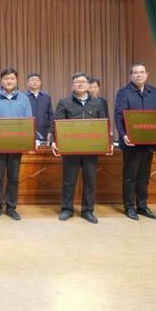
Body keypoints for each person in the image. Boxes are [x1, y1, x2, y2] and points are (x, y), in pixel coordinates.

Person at [52, 72, 109, 224]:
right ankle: (67, 209)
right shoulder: (64, 102)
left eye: (83, 81)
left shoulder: (97, 103)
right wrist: (55, 141)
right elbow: (57, 123)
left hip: (91, 148)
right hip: (70, 148)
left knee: (90, 180)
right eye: (77, 82)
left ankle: (87, 210)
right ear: (73, 85)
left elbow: (104, 122)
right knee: (69, 180)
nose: (80, 84)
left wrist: (106, 141)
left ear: (88, 84)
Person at [0, 68, 32, 220]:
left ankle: (11, 207)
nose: (9, 81)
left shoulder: (24, 99)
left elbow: (28, 120)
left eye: (11, 78)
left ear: (16, 80)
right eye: (5, 78)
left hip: (16, 146)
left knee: (13, 178)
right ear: (1, 80)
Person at [114, 63, 156, 220]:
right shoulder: (123, 92)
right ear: (131, 75)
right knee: (130, 176)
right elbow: (119, 116)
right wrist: (123, 134)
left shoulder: (153, 92)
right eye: (135, 72)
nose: (139, 75)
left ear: (147, 74)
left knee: (144, 176)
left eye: (142, 72)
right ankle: (129, 207)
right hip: (132, 142)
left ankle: (142, 206)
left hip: (149, 141)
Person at [25, 72, 54, 143]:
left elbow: (51, 116)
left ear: (40, 82)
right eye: (32, 80)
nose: (34, 82)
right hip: (28, 132)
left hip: (44, 133)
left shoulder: (46, 97)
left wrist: (50, 131)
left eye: (36, 80)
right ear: (27, 83)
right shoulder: (23, 97)